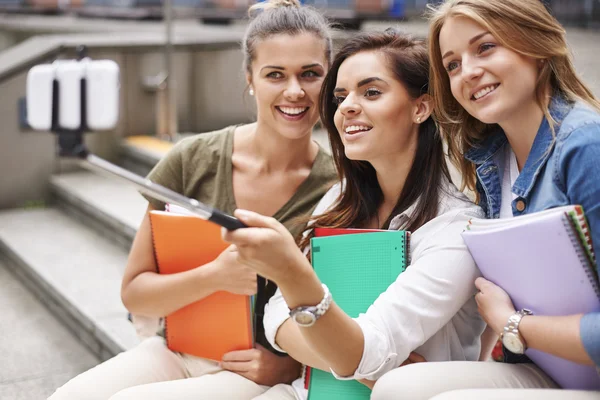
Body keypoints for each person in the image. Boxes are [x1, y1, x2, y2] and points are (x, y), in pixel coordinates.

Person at [48, 1, 337, 399]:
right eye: (275, 74)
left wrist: (289, 365)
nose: (294, 91)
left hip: (252, 369)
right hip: (177, 349)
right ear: (250, 79)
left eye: (310, 74)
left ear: (329, 78)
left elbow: (346, 312)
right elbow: (135, 291)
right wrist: (215, 276)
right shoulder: (192, 159)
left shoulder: (339, 185)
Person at [221, 29, 487, 400]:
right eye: (341, 96)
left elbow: (367, 348)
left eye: (371, 92)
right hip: (307, 392)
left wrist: (292, 275)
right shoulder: (340, 198)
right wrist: (357, 367)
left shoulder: (456, 229)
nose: (346, 107)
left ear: (420, 107)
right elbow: (275, 316)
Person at [365, 1, 600, 399]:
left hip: (578, 368)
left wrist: (514, 326)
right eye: (452, 64)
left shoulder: (584, 147)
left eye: (486, 47)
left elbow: (507, 314)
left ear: (535, 44)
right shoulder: (492, 157)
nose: (468, 72)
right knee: (396, 386)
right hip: (550, 368)